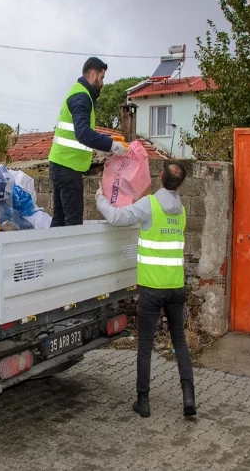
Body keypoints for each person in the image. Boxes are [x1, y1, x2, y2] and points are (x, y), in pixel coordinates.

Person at [96, 162, 196, 418]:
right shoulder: (181, 210)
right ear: (180, 184)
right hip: (175, 286)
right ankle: (188, 396)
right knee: (180, 341)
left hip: (152, 288)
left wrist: (99, 197)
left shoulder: (150, 204)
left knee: (145, 345)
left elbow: (117, 217)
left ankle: (143, 400)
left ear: (160, 177)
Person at [49, 57, 127, 227]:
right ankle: (67, 254)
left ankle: (54, 254)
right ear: (93, 74)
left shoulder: (77, 93)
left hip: (60, 164)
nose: (102, 83)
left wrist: (102, 145)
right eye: (102, 78)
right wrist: (111, 145)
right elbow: (83, 134)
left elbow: (82, 133)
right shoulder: (82, 97)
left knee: (60, 220)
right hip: (68, 168)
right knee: (73, 222)